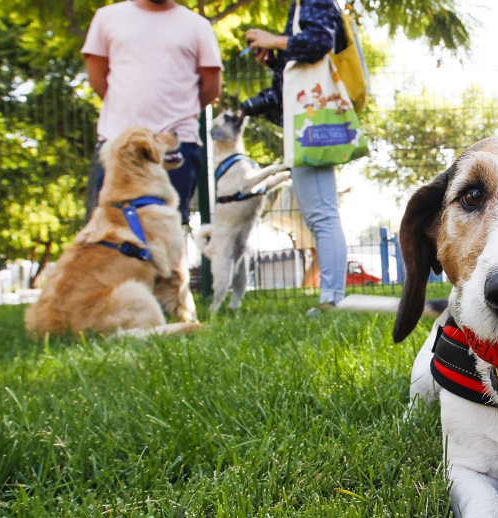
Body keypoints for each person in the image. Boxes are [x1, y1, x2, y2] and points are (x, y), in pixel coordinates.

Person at [242, 0, 351, 314]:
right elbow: (296, 72)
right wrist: (274, 59)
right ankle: (332, 297)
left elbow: (320, 42)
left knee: (323, 216)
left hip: (311, 124)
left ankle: (333, 300)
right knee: (320, 215)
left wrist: (273, 40)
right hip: (304, 122)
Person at [82, 0, 222, 226]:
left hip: (176, 148)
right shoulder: (106, 18)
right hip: (118, 146)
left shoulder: (197, 26)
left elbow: (211, 88)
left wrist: (175, 116)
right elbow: (97, 77)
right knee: (107, 230)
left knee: (166, 232)